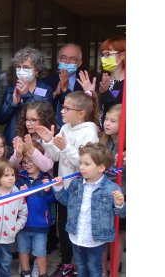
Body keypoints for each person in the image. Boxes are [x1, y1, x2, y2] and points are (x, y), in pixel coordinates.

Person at [36, 91, 100, 277]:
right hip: (64, 189)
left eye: (66, 108)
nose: (62, 111)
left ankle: (80, 266)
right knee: (63, 226)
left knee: (76, 228)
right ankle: (66, 263)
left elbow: (84, 163)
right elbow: (56, 156)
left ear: (80, 113)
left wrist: (64, 147)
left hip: (79, 191)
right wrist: (49, 140)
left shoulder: (89, 131)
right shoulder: (65, 127)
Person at [51, 142, 125, 277]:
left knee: (94, 267)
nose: (81, 167)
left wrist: (120, 204)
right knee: (81, 266)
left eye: (87, 164)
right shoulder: (76, 184)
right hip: (76, 235)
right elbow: (66, 201)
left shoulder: (111, 188)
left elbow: (121, 214)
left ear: (101, 167)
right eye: (81, 163)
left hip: (95, 239)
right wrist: (59, 187)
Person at [0, 47, 53, 156]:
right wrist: (13, 104)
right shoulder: (11, 90)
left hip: (36, 144)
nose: (21, 71)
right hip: (12, 143)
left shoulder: (45, 90)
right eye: (18, 67)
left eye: (26, 67)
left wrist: (26, 95)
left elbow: (44, 117)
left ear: (36, 70)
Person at [15, 152, 55, 277]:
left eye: (30, 161)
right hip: (22, 223)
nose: (27, 165)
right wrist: (21, 195)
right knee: (22, 250)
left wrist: (48, 192)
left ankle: (42, 273)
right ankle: (25, 272)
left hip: (41, 224)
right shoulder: (20, 178)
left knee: (40, 252)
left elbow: (52, 201)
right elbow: (15, 201)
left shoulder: (46, 178)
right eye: (24, 162)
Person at [99, 104, 126, 276]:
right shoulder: (103, 142)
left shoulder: (126, 147)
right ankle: (101, 271)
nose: (107, 123)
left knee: (117, 235)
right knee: (103, 235)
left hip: (121, 193)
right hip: (104, 193)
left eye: (112, 121)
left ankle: (114, 267)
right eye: (106, 119)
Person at [76, 36, 126, 128]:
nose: (103, 58)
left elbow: (119, 111)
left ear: (122, 55)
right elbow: (90, 110)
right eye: (102, 55)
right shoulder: (99, 80)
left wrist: (105, 93)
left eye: (107, 54)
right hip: (96, 132)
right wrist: (90, 94)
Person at [43, 44, 85, 130]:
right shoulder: (46, 81)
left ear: (79, 63)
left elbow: (84, 108)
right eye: (63, 57)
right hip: (50, 131)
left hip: (77, 130)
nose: (67, 61)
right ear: (58, 60)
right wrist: (54, 94)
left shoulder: (85, 82)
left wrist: (66, 90)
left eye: (72, 59)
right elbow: (40, 106)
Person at [9, 101, 55, 174]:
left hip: (43, 183)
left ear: (44, 120)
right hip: (23, 182)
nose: (28, 123)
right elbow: (12, 166)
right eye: (26, 119)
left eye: (33, 120)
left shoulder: (49, 140)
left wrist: (31, 149)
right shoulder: (22, 138)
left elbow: (46, 167)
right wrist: (18, 154)